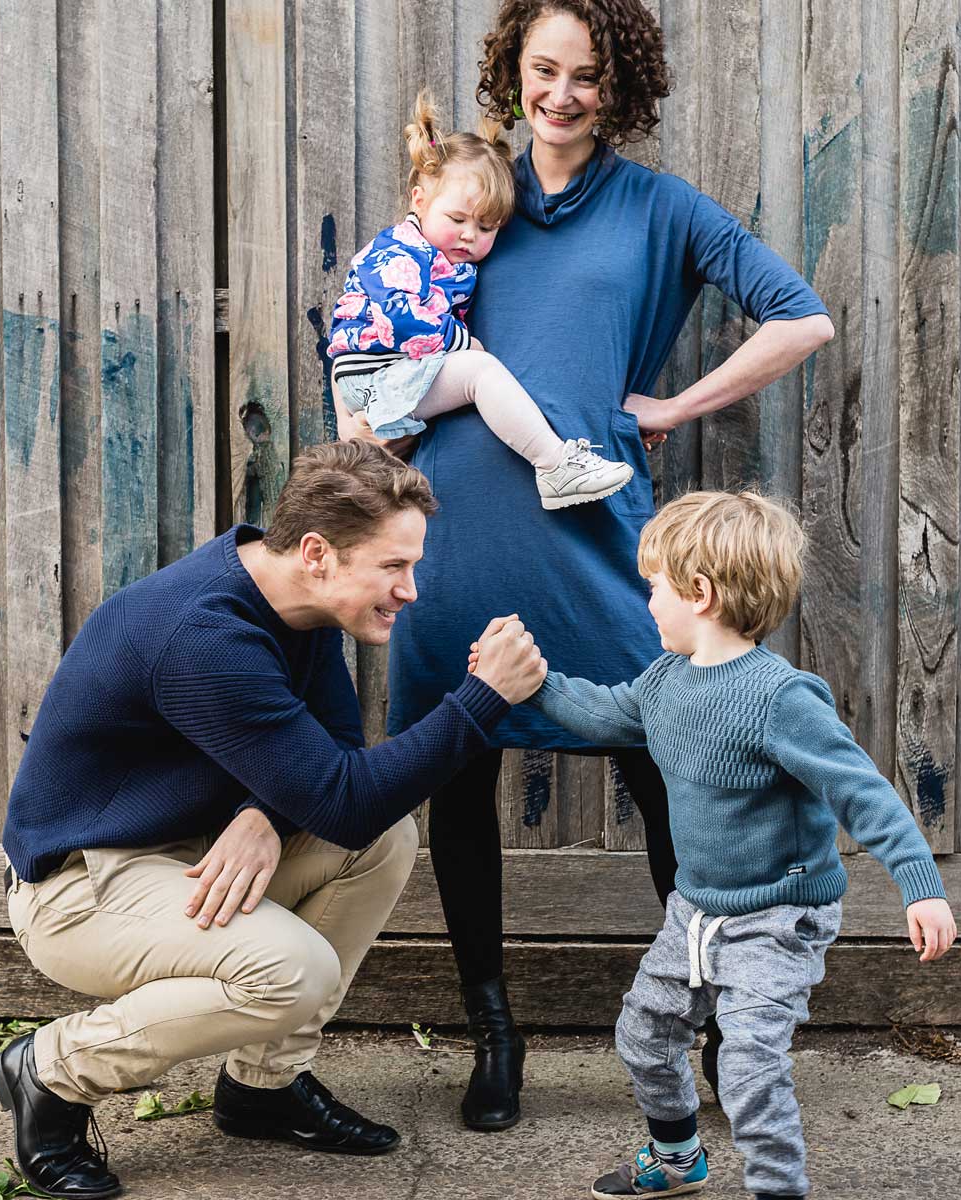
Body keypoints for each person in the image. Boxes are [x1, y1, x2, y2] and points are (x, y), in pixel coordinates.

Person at [338, 0, 835, 1131]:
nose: (559, 96)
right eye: (541, 70)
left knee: (676, 781)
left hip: (599, 544)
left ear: (624, 87)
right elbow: (377, 331)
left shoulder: (660, 210)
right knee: (459, 778)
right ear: (511, 70)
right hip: (449, 538)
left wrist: (671, 403)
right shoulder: (475, 196)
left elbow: (799, 319)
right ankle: (493, 1037)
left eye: (587, 77)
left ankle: (711, 1033)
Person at [0, 439, 547, 1200]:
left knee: (383, 841)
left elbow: (341, 758)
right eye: (393, 567)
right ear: (318, 551)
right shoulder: (203, 635)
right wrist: (482, 699)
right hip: (80, 889)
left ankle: (262, 1087)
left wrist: (262, 810)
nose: (411, 590)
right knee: (293, 971)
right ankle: (52, 1073)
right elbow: (343, 794)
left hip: (183, 854)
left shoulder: (293, 601)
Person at [505, 490, 957, 1199]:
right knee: (643, 1038)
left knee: (747, 1064)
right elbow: (600, 713)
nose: (647, 600)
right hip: (697, 912)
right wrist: (531, 684)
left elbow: (861, 792)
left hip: (779, 918)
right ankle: (679, 1162)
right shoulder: (665, 683)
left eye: (654, 587)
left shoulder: (782, 700)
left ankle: (779, 1191)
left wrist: (921, 886)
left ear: (700, 594)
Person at [328, 90, 634, 510]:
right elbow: (403, 320)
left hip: (385, 376)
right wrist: (461, 342)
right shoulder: (398, 253)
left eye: (487, 227)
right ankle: (555, 465)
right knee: (478, 371)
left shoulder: (441, 257)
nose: (470, 235)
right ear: (419, 200)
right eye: (457, 219)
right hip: (374, 376)